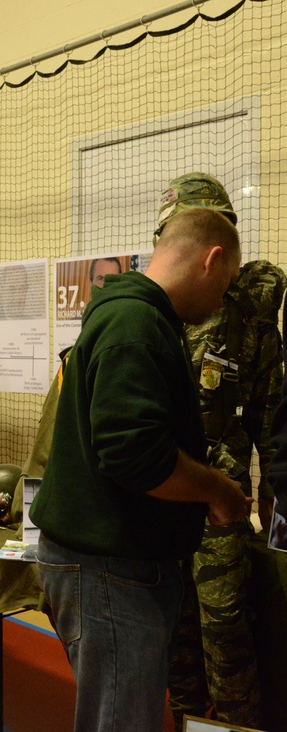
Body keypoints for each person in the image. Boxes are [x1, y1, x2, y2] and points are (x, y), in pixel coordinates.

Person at [29, 206, 249, 732]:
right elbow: (137, 456)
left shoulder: (136, 317)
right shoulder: (136, 324)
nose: (221, 301)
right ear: (211, 259)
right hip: (110, 570)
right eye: (225, 285)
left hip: (115, 563)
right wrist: (217, 490)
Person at [163, 176, 284, 729]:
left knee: (225, 623)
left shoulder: (249, 317)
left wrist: (275, 509)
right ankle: (187, 716)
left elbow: (268, 416)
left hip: (223, 497)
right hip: (162, 491)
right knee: (175, 626)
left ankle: (235, 723)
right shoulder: (151, 309)